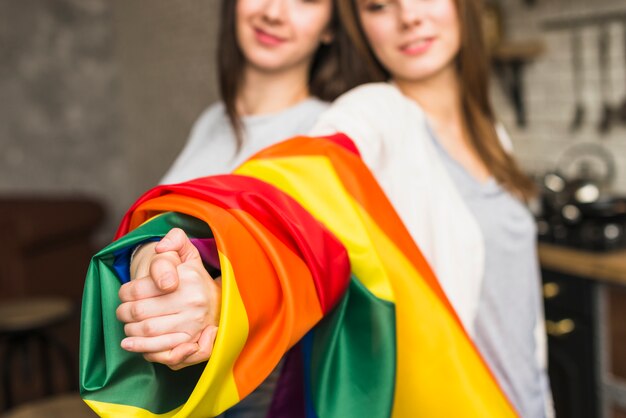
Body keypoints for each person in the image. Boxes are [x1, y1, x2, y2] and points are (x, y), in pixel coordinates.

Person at [115, 0, 553, 416]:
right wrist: (222, 292)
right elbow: (290, 194)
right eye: (378, 5)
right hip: (458, 401)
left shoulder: (493, 134)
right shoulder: (370, 112)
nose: (409, 18)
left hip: (528, 398)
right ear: (358, 26)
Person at [120, 1, 369, 417]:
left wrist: (219, 297)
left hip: (267, 392)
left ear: (331, 28)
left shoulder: (330, 132)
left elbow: (323, 266)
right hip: (182, 387)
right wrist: (151, 261)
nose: (273, 11)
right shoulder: (212, 120)